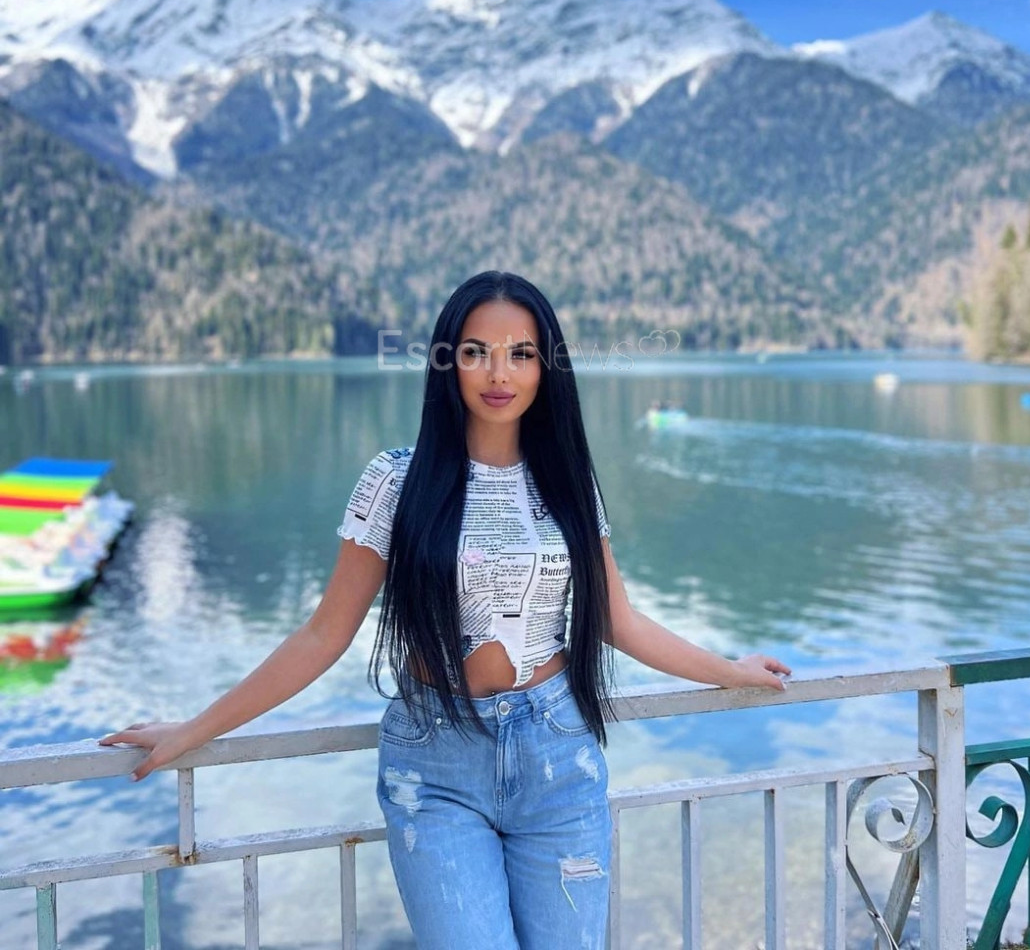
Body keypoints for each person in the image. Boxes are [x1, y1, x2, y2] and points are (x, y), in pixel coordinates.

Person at [100, 271, 790, 949]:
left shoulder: (568, 482)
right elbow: (321, 636)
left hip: (557, 757)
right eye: (475, 351)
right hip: (434, 771)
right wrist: (195, 730)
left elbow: (618, 621)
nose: (499, 373)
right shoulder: (395, 480)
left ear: (546, 368)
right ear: (446, 363)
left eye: (521, 353)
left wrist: (730, 671)